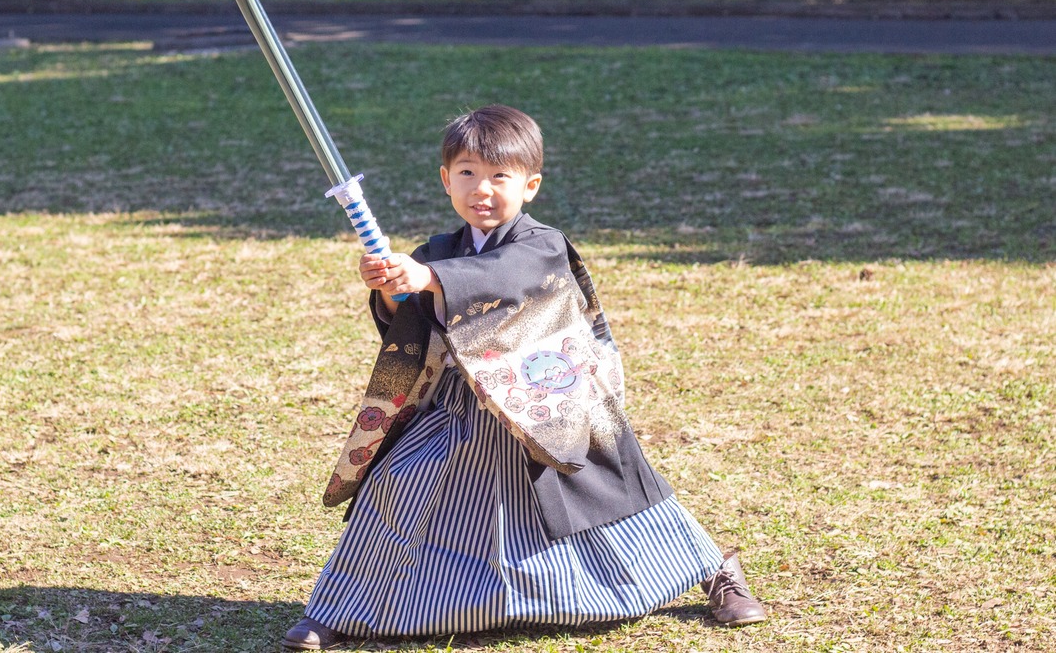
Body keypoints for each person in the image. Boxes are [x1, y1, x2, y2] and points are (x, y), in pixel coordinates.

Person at [282, 104, 766, 650]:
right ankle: (339, 608)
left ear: (530, 185)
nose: (481, 189)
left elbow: (508, 279)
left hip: (547, 406)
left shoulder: (541, 245)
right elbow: (414, 326)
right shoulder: (438, 251)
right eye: (466, 173)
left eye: (499, 176)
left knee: (611, 494)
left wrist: (430, 277)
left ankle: (713, 568)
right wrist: (392, 288)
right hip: (459, 412)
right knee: (398, 487)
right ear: (446, 180)